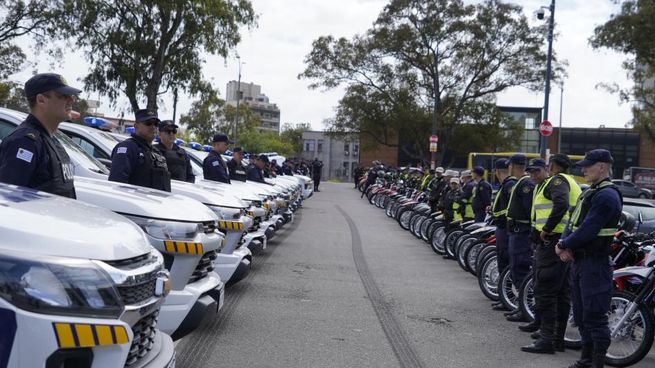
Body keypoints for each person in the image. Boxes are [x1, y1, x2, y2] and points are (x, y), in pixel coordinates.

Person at [556, 149, 622, 368]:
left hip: (595, 263)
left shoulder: (607, 195)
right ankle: (586, 360)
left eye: (588, 166)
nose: (583, 169)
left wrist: (565, 244)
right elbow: (572, 222)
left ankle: (596, 362)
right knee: (583, 315)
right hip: (581, 261)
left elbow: (589, 228)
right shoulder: (590, 192)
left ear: (602, 167)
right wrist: (563, 243)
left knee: (594, 316)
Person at [521, 157, 581, 354]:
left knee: (545, 291)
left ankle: (547, 340)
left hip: (552, 243)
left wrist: (546, 230)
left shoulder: (557, 181)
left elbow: (561, 204)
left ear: (552, 166)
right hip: (563, 242)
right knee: (561, 293)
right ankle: (556, 339)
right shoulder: (570, 180)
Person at [0, 73, 81, 198]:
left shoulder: (52, 141)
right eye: (63, 96)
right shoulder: (25, 142)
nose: (72, 100)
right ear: (41, 100)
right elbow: (8, 200)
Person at [109, 109, 171, 192]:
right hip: (135, 202)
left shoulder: (157, 153)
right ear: (136, 126)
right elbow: (118, 184)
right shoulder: (128, 148)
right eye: (148, 123)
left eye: (156, 124)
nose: (153, 127)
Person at [505, 153, 535, 322]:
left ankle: (526, 308)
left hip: (522, 233)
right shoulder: (520, 182)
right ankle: (521, 306)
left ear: (513, 166)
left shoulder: (526, 184)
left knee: (521, 268)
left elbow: (530, 210)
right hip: (517, 231)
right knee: (516, 268)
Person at [489, 159, 516, 312]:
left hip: (505, 229)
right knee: (503, 262)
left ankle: (507, 297)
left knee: (506, 264)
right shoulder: (507, 184)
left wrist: (496, 214)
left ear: (498, 172)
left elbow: (511, 209)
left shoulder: (510, 185)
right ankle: (503, 296)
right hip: (502, 228)